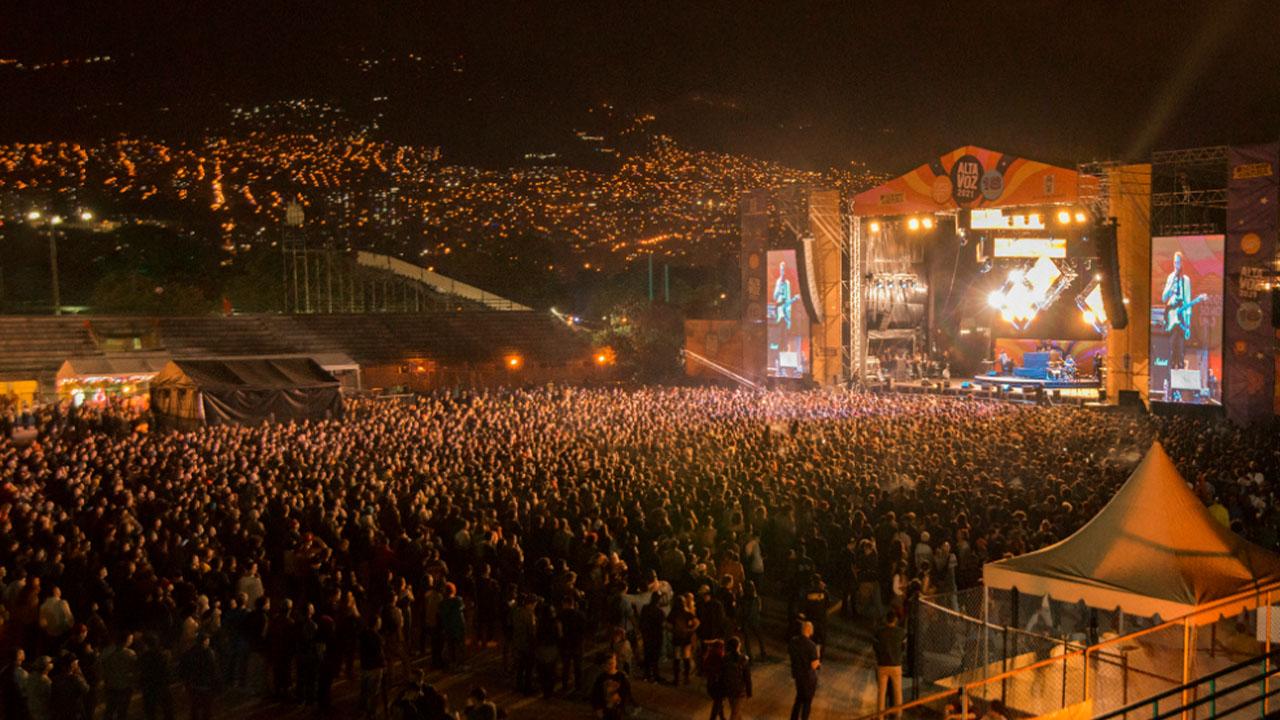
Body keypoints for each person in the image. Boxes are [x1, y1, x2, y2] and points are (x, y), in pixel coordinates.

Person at [1161, 250, 1194, 369]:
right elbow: (1164, 298)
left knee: (1180, 352)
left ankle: (1179, 372)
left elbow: (1188, 301)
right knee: (1171, 351)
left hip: (1181, 320)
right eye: (1175, 262)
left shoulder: (1186, 280)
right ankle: (1170, 381)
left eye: (1179, 262)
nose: (1177, 265)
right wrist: (1170, 287)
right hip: (1171, 319)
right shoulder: (1170, 277)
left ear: (1182, 263)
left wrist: (1188, 324)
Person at [874, 612, 906, 713]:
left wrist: (879, 657)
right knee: (898, 692)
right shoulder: (901, 632)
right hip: (896, 664)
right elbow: (903, 647)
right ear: (895, 620)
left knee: (881, 693)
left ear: (885, 620)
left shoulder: (879, 632)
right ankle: (898, 715)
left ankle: (880, 716)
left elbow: (875, 646)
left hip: (883, 665)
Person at [787, 620, 819, 720]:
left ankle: (794, 718)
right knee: (807, 702)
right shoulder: (812, 646)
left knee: (799, 698)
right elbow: (814, 665)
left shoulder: (793, 641)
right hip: (808, 677)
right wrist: (818, 657)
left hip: (797, 675)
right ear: (809, 630)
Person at [589, 654, 633, 720]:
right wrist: (597, 708)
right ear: (605, 664)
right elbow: (595, 694)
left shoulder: (622, 677)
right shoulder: (601, 678)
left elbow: (626, 693)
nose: (610, 666)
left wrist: (622, 707)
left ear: (615, 663)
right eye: (608, 663)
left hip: (617, 709)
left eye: (612, 663)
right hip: (604, 708)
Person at [719, 637, 752, 720]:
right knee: (735, 712)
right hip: (739, 690)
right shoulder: (744, 659)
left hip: (729, 688)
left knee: (736, 709)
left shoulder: (725, 658)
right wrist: (749, 691)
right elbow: (747, 677)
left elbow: (722, 674)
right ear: (738, 646)